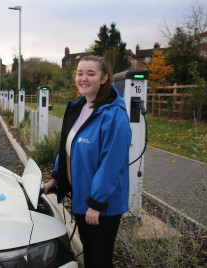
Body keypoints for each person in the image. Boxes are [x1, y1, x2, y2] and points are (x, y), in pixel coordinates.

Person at [43, 55, 132, 267]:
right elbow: (68, 146)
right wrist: (56, 177)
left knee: (100, 259)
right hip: (83, 198)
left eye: (91, 74)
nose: (83, 78)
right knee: (89, 255)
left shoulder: (114, 115)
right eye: (80, 73)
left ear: (104, 78)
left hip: (102, 205)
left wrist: (97, 203)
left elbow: (113, 163)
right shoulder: (82, 107)